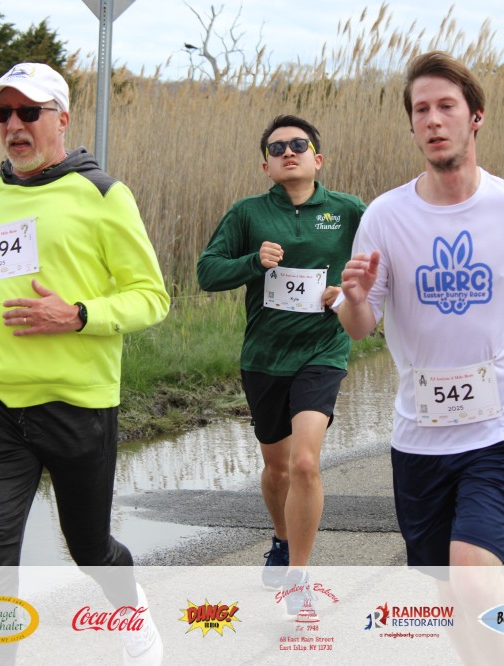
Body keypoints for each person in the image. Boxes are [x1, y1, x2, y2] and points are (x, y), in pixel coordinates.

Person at [337, 51, 504, 665]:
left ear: (475, 116)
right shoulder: (386, 216)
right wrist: (353, 299)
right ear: (412, 124)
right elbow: (361, 326)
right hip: (420, 433)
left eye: (446, 106)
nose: (433, 120)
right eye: (421, 109)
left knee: (473, 576)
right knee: (451, 589)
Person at [0, 62, 168, 665]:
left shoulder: (103, 195)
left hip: (76, 405)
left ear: (61, 119)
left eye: (28, 112)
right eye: (1, 113)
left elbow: (151, 297)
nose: (13, 125)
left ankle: (130, 608)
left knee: (89, 549)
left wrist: (79, 315)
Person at [196, 115, 366, 616]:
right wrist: (253, 261)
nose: (288, 152)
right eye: (276, 148)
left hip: (322, 350)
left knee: (305, 463)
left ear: (318, 158)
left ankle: (298, 576)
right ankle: (281, 537)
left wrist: (347, 291)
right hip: (265, 358)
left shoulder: (348, 211)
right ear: (265, 166)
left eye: (299, 144)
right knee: (277, 468)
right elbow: (207, 272)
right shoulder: (247, 213)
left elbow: (387, 264)